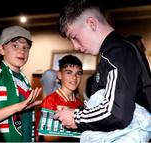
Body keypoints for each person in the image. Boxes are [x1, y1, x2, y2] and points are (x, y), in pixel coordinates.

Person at [54, 0, 151, 142]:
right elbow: (106, 102)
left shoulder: (118, 52)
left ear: (92, 23)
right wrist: (77, 112)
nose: (75, 46)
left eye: (74, 37)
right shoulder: (110, 54)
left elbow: (117, 113)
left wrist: (76, 117)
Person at [0, 25, 42, 142]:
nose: (22, 51)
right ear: (1, 49)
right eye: (15, 45)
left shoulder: (24, 81)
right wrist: (17, 107)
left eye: (26, 47)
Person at [36, 55, 84, 142]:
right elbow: (45, 137)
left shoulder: (81, 104)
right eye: (69, 72)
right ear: (60, 75)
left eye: (78, 73)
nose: (74, 77)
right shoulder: (50, 100)